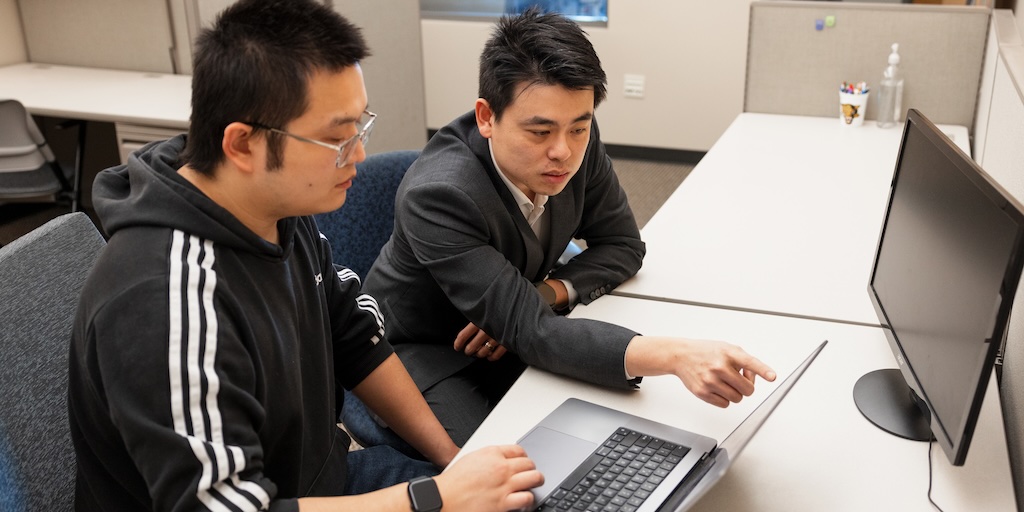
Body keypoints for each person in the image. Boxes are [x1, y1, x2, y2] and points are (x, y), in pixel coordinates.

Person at [67, 1, 543, 510]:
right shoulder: (164, 301)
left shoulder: (272, 205)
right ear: (242, 144)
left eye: (358, 127)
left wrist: (453, 462)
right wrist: (435, 498)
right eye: (337, 138)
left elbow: (354, 338)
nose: (358, 153)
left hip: (318, 482)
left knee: (523, 493)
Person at [360, 8, 777, 447]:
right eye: (539, 132)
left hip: (512, 325)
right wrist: (675, 355)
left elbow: (622, 245)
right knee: (502, 465)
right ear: (486, 117)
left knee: (605, 424)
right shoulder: (440, 194)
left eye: (579, 126)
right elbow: (533, 332)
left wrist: (546, 292)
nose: (563, 152)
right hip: (424, 348)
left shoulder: (579, 141)